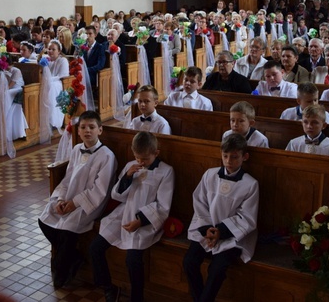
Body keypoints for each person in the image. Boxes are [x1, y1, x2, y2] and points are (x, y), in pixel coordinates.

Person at [90, 131, 174, 302]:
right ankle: (108, 287)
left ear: (156, 153)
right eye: (137, 158)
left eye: (145, 159)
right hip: (123, 213)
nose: (141, 163)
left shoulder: (166, 171)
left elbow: (163, 205)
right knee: (95, 248)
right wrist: (127, 177)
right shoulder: (131, 165)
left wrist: (140, 221)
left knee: (133, 260)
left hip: (145, 220)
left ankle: (137, 298)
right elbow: (117, 195)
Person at [38, 111, 117, 289]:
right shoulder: (76, 150)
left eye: (91, 127)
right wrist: (61, 199)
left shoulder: (106, 156)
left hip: (91, 203)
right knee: (44, 219)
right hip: (70, 197)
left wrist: (75, 203)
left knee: (68, 228)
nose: (87, 131)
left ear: (100, 130)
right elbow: (67, 179)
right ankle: (73, 257)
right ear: (78, 131)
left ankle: (61, 271)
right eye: (83, 127)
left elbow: (100, 190)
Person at [183, 134, 259, 302]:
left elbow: (247, 217)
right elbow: (199, 202)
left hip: (232, 236)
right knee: (189, 262)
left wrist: (220, 232)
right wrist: (207, 229)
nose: (229, 161)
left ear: (244, 157)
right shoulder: (209, 175)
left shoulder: (250, 184)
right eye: (225, 156)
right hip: (206, 230)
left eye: (234, 157)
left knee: (217, 270)